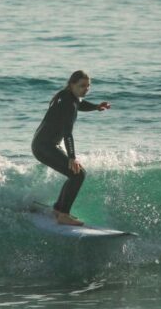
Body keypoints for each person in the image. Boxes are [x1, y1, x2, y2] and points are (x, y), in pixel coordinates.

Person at [32, 70, 111, 225]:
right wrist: (72, 158)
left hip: (42, 144)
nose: (86, 89)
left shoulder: (66, 96)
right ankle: (63, 214)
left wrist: (96, 107)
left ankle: (58, 209)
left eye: (88, 86)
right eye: (82, 86)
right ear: (72, 84)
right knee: (78, 174)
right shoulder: (69, 103)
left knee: (76, 174)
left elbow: (80, 104)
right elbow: (68, 133)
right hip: (44, 146)